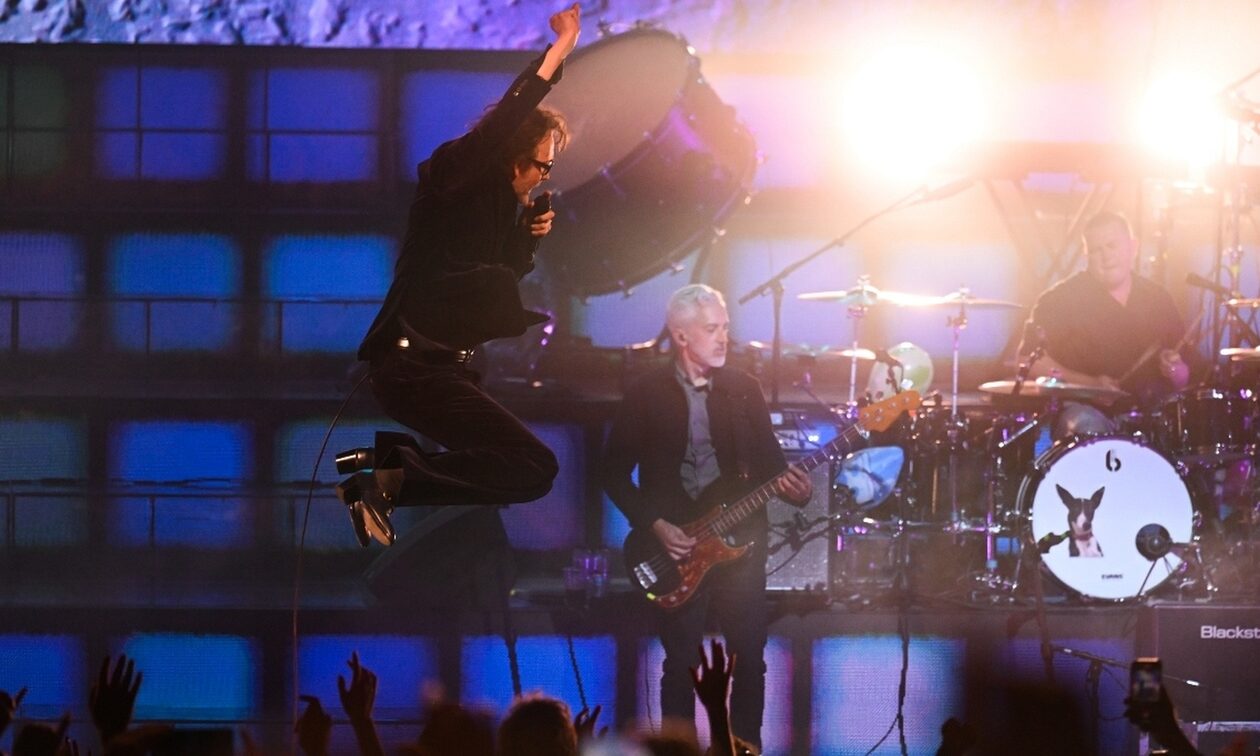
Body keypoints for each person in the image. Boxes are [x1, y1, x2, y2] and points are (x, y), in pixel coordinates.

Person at [334, 5, 582, 547]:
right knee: (533, 463)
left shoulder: (495, 210)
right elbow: (506, 119)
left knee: (527, 468)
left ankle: (379, 471)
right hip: (410, 368)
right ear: (513, 156)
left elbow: (490, 281)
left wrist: (527, 238)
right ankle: (379, 476)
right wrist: (559, 50)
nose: (545, 176)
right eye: (543, 165)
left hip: (444, 372)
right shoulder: (458, 171)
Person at [599, 284, 812, 747]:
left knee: (749, 659)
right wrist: (655, 524)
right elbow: (612, 473)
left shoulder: (743, 389)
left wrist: (799, 491)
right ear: (681, 336)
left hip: (742, 545)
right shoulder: (646, 393)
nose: (723, 338)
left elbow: (773, 469)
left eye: (726, 328)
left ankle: (744, 750)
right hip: (675, 548)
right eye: (712, 329)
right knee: (681, 664)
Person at [1017, 210, 1191, 436]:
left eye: (1112, 246)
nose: (1106, 256)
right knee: (1084, 423)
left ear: (1133, 247)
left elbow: (1186, 375)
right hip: (1086, 415)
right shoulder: (1059, 300)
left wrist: (1176, 371)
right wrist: (1090, 384)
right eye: (1096, 250)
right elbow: (1027, 360)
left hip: (1152, 417)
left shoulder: (1158, 299)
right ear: (1086, 255)